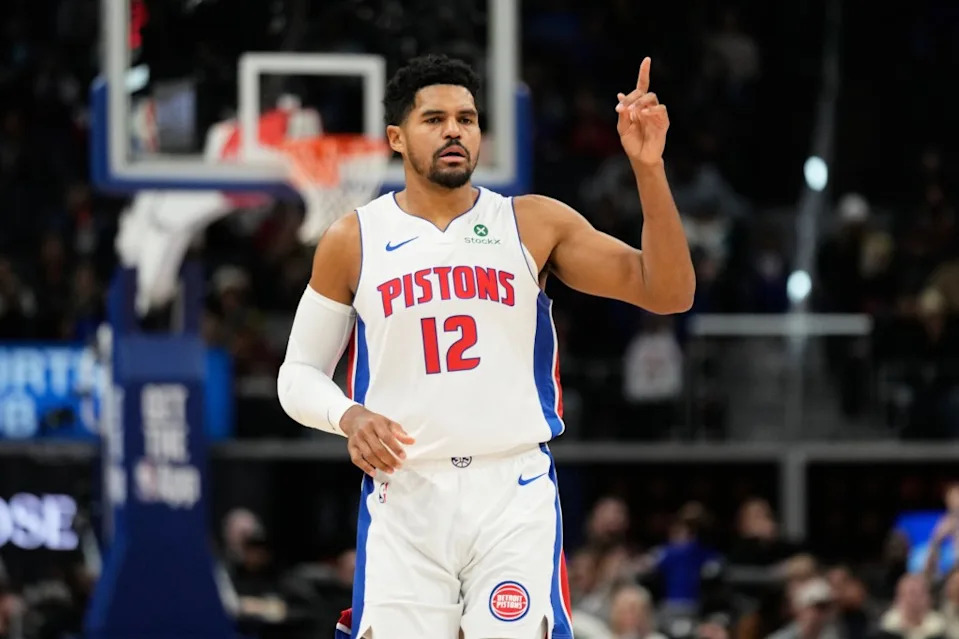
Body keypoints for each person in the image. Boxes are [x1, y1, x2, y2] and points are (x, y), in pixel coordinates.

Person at [277, 54, 694, 639]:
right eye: (435, 118)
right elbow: (296, 375)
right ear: (396, 137)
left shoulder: (532, 223)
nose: (454, 130)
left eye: (467, 119)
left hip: (511, 492)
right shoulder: (353, 239)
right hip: (408, 492)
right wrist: (349, 416)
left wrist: (648, 169)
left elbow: (669, 291)